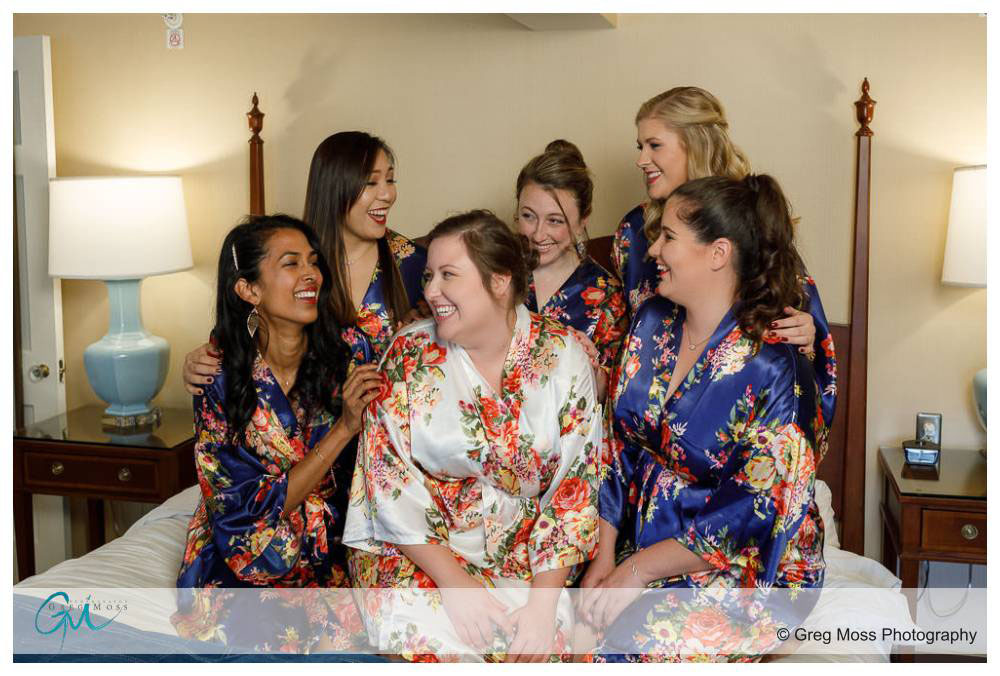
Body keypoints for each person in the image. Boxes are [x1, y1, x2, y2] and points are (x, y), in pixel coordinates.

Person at [580, 175, 827, 661]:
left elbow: (754, 512)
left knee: (618, 652)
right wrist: (604, 557)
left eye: (668, 237)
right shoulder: (651, 321)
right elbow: (617, 444)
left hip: (745, 561)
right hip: (637, 534)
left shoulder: (776, 368)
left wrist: (636, 572)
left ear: (718, 252)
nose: (652, 250)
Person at [343, 210, 603, 662]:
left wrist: (543, 608)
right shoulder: (408, 354)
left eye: (448, 275)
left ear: (499, 282)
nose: (429, 291)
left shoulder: (564, 356)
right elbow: (386, 484)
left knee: (539, 648)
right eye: (428, 276)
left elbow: (574, 492)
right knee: (434, 643)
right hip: (420, 550)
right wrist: (456, 586)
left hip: (529, 557)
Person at [181, 131, 427, 527]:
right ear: (335, 187)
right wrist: (198, 363)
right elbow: (241, 339)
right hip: (299, 459)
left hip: (388, 458)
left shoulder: (416, 267)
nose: (387, 194)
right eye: (370, 182)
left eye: (390, 179)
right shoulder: (290, 255)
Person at [172, 214, 381, 652]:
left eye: (313, 261)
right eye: (290, 264)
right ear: (249, 289)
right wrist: (343, 429)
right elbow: (243, 512)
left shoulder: (352, 351)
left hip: (336, 542)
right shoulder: (220, 376)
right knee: (259, 638)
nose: (311, 275)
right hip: (245, 550)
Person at [612, 86, 836, 427]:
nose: (641, 160)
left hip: (731, 416)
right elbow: (627, 331)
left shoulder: (751, 218)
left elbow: (793, 317)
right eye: (640, 146)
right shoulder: (634, 231)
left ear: (695, 143)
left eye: (654, 145)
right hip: (646, 407)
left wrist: (806, 332)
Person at [515, 140, 627, 401]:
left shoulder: (608, 296)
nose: (538, 234)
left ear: (582, 220)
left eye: (555, 220)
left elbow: (609, 398)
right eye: (528, 216)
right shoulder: (495, 272)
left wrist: (592, 369)